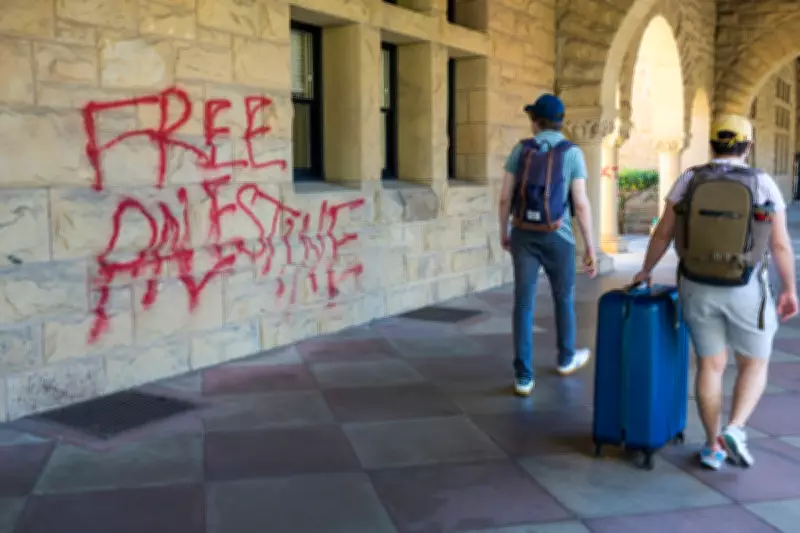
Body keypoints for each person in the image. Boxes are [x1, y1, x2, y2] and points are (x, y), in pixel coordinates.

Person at [632, 114, 799, 470]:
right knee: (754, 362)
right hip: (746, 286)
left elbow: (663, 232)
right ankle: (735, 428)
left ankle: (712, 446)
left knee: (710, 364)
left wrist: (646, 270)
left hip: (695, 284)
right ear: (748, 146)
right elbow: (781, 245)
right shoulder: (762, 182)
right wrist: (789, 289)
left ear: (711, 144)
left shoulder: (689, 179)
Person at [498, 93, 598, 397]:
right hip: (559, 235)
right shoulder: (572, 153)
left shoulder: (521, 150)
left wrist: (504, 231)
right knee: (563, 297)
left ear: (535, 122)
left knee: (523, 303)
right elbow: (580, 204)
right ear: (560, 122)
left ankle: (523, 377)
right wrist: (590, 247)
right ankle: (566, 358)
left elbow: (505, 197)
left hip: (523, 234)